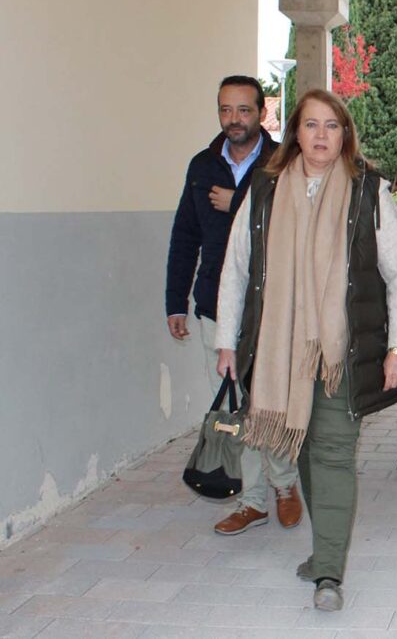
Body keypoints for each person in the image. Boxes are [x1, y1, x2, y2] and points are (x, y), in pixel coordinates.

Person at [214, 89, 397, 611]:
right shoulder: (265, 190)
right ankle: (323, 551)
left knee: (331, 454)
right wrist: (226, 341)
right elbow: (236, 268)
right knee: (300, 447)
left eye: (332, 125)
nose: (321, 135)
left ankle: (328, 571)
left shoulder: (368, 191)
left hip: (338, 355)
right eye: (311, 125)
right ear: (295, 133)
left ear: (345, 134)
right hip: (279, 351)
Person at [165, 75, 302, 535]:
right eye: (226, 109)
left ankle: (285, 484)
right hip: (215, 307)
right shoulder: (203, 165)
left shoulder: (285, 162)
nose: (234, 119)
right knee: (235, 406)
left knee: (270, 404)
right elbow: (185, 236)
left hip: (270, 308)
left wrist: (240, 201)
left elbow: (301, 224)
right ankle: (251, 499)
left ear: (262, 113)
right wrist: (175, 302)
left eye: (244, 110)